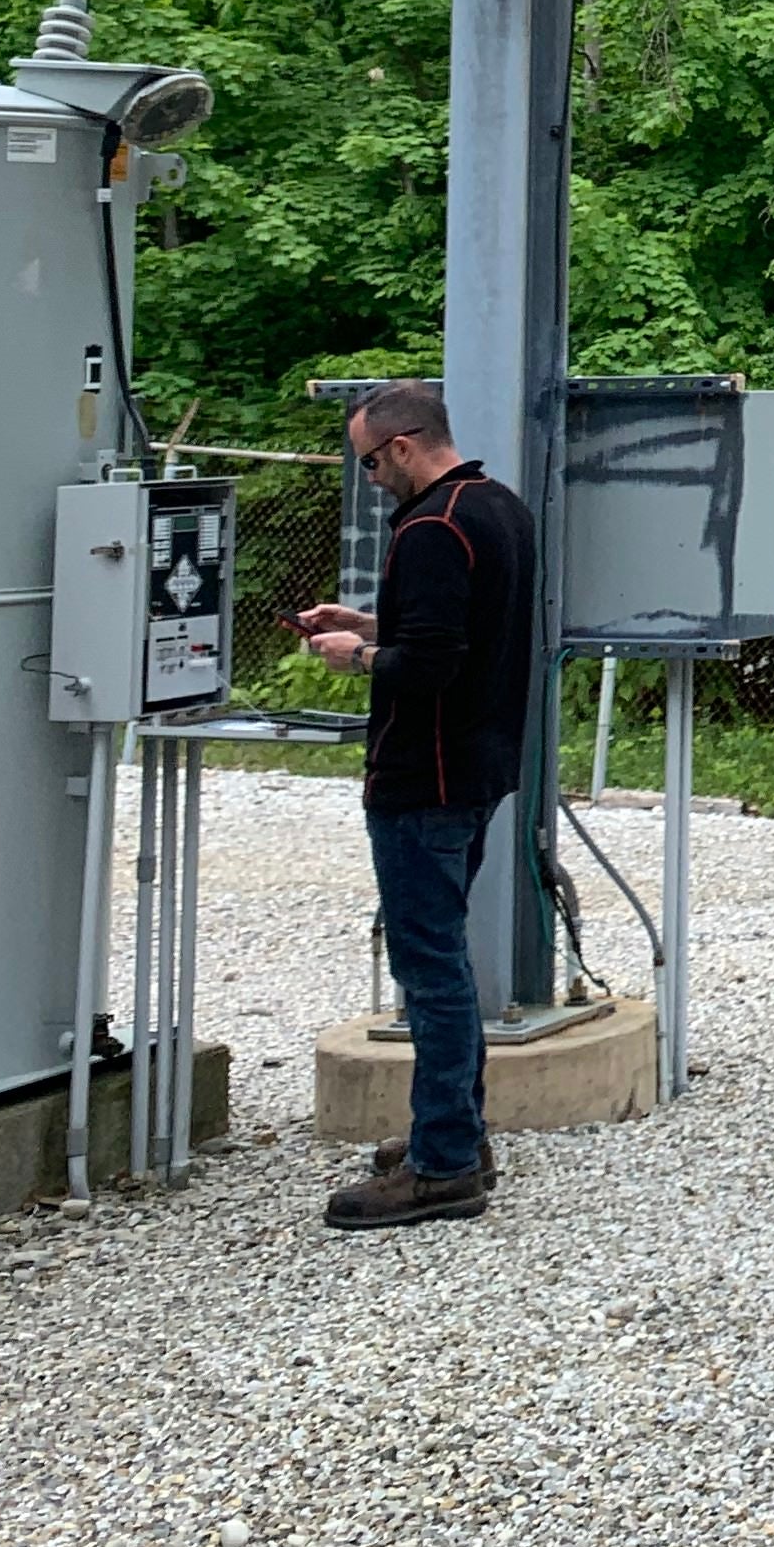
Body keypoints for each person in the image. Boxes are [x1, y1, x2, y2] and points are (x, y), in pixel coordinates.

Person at [293, 382, 533, 1230]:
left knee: (430, 972)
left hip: (423, 776)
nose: (370, 480)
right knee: (445, 965)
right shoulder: (496, 506)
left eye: (369, 462)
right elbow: (459, 630)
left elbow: (429, 663)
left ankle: (442, 1164)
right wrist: (365, 619)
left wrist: (355, 656)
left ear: (401, 446)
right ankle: (457, 1135)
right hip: (479, 765)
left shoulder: (431, 527)